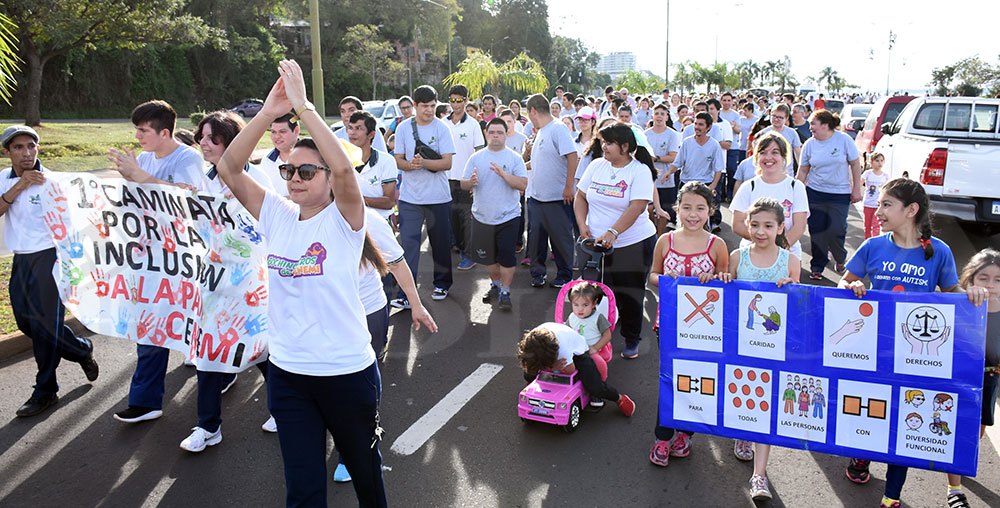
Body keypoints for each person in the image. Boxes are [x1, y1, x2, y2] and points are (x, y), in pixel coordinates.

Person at [216, 59, 389, 507]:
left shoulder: (345, 219)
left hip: (348, 374)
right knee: (303, 488)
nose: (294, 177)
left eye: (307, 172)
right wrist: (267, 114)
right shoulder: (276, 212)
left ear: (328, 180)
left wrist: (304, 107)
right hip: (289, 375)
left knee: (367, 480)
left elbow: (348, 173)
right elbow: (230, 171)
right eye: (289, 170)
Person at [837, 178, 989, 508]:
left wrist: (973, 294)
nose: (877, 211)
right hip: (873, 350)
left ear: (911, 210)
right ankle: (861, 455)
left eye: (886, 205)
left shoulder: (939, 252)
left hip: (914, 355)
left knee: (904, 416)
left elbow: (953, 297)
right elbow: (845, 282)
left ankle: (892, 495)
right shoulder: (873, 246)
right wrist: (850, 287)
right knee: (869, 407)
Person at [107, 100, 206, 423]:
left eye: (143, 130)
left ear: (165, 132)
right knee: (150, 325)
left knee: (200, 319)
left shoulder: (188, 157)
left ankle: (223, 367)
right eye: (136, 129)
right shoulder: (146, 158)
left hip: (184, 257)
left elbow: (190, 200)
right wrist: (128, 178)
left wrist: (140, 176)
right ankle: (146, 400)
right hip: (149, 257)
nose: (137, 136)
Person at [1, 125, 99, 417]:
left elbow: (78, 219)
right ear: (7, 152)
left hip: (51, 259)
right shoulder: (4, 180)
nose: (26, 152)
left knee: (44, 328)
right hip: (21, 259)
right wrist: (20, 186)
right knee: (25, 323)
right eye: (18, 147)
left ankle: (45, 390)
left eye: (31, 146)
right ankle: (80, 349)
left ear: (38, 149)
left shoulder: (54, 181)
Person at [647, 182, 729, 466]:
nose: (693, 214)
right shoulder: (665, 241)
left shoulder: (717, 245)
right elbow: (652, 277)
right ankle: (662, 436)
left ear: (711, 211)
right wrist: (667, 279)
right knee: (669, 380)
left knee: (695, 382)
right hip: (668, 323)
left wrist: (715, 280)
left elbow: (726, 284)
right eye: (686, 208)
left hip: (704, 331)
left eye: (700, 208)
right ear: (676, 209)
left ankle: (686, 433)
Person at [727, 197, 800, 500]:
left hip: (773, 349)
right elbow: (727, 294)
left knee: (765, 405)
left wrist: (792, 288)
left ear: (781, 227)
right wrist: (721, 279)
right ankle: (742, 434)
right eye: (755, 224)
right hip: (742, 346)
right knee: (744, 395)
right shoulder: (736, 256)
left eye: (768, 225)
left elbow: (798, 307)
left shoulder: (791, 261)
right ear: (747, 225)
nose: (760, 231)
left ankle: (759, 475)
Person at [574, 123, 657, 360]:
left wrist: (613, 232)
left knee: (628, 293)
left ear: (625, 146)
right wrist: (583, 225)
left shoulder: (639, 171)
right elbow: (580, 197)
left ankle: (632, 338)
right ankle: (595, 337)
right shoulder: (596, 165)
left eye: (608, 143)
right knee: (594, 293)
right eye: (602, 142)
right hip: (594, 245)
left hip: (631, 243)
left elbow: (638, 206)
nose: (603, 147)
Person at [393, 85, 457, 305]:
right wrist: (410, 165)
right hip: (410, 199)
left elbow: (447, 162)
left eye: (432, 106)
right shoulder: (403, 128)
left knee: (440, 246)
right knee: (408, 246)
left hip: (438, 198)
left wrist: (423, 163)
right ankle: (405, 295)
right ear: (415, 105)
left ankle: (442, 284)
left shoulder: (442, 128)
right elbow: (398, 159)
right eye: (424, 106)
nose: (429, 110)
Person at [461, 118, 528, 311]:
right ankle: (495, 285)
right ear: (486, 134)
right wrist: (471, 182)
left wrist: (504, 175)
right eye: (492, 132)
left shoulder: (514, 158)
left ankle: (505, 291)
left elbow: (522, 184)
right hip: (482, 217)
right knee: (488, 259)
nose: (496, 136)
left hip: (508, 216)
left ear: (506, 134)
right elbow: (463, 183)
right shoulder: (476, 157)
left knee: (506, 258)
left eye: (500, 132)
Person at [795, 110, 862, 280]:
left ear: (825, 125)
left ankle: (840, 258)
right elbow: (803, 170)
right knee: (817, 230)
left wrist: (856, 189)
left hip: (839, 194)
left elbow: (855, 164)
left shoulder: (844, 140)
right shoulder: (810, 144)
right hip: (815, 192)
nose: (810, 128)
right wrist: (796, 190)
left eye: (813, 124)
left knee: (836, 229)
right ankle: (817, 265)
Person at [516, 322, 635, 416]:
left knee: (594, 386)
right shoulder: (531, 342)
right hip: (547, 350)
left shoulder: (562, 350)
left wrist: (555, 367)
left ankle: (618, 398)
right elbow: (529, 360)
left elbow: (570, 370)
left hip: (578, 352)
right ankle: (532, 388)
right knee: (529, 372)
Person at [522, 94, 579, 289]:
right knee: (536, 239)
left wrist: (569, 186)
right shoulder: (540, 132)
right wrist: (517, 167)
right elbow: (538, 162)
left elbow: (572, 156)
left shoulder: (557, 128)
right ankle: (538, 274)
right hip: (537, 198)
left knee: (561, 239)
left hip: (557, 198)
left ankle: (565, 275)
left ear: (533, 111)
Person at [959, 249, 1000, 508]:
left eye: (998, 279)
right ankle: (954, 485)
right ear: (970, 279)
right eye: (984, 278)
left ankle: (966, 453)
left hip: (989, 379)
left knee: (979, 426)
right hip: (960, 378)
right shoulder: (960, 304)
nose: (991, 285)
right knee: (961, 425)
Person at [730, 133, 810, 260]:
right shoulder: (748, 186)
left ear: (784, 157)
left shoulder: (796, 187)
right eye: (763, 152)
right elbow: (737, 224)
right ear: (757, 157)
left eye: (775, 152)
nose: (768, 157)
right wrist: (762, 245)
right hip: (751, 257)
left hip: (787, 256)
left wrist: (777, 251)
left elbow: (799, 226)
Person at [446, 85, 487, 271]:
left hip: (465, 181)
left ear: (466, 100)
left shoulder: (473, 125)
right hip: (446, 180)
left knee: (467, 221)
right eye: (452, 100)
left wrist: (473, 181)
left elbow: (479, 154)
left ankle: (470, 256)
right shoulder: (443, 123)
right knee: (452, 219)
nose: (456, 104)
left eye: (459, 100)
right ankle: (461, 249)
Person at [669, 112, 725, 231]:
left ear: (708, 127)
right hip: (686, 183)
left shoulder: (714, 145)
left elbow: (718, 169)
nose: (697, 127)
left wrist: (713, 186)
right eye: (696, 123)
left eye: (701, 124)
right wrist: (668, 173)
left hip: (705, 184)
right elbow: (677, 163)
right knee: (685, 213)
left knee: (703, 216)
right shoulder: (687, 142)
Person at [347, 110, 399, 222]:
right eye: (350, 128)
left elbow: (389, 202)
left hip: (380, 224)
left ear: (371, 134)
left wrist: (358, 200)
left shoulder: (386, 161)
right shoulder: (340, 161)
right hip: (349, 226)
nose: (352, 133)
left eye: (358, 128)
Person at [565, 283, 613, 386]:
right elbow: (567, 332)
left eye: (585, 305)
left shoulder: (598, 317)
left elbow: (607, 335)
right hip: (576, 349)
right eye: (576, 305)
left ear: (594, 303)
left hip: (592, 350)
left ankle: (601, 383)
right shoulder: (572, 317)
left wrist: (595, 348)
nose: (580, 309)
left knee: (598, 362)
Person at [646, 103, 681, 234]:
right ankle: (651, 234)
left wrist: (656, 158)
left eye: (662, 114)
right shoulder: (646, 134)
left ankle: (660, 237)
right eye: (657, 113)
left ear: (667, 117)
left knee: (664, 211)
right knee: (648, 210)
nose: (659, 116)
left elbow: (673, 157)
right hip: (649, 180)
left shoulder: (673, 135)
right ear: (652, 116)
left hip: (665, 180)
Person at [258, 113, 300, 196]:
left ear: (296, 131)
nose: (277, 137)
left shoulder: (311, 157)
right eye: (273, 132)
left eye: (282, 131)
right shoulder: (267, 160)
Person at [757, 104, 801, 176]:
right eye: (774, 116)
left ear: (786, 118)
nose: (776, 119)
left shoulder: (792, 133)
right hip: (767, 173)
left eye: (780, 117)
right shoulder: (763, 133)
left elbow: (798, 154)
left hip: (787, 173)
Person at [860, 152, 889, 238]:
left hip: (878, 205)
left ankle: (874, 243)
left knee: (876, 226)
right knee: (867, 226)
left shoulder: (885, 176)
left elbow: (887, 190)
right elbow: (859, 184)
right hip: (868, 203)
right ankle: (867, 241)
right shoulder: (868, 173)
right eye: (877, 161)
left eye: (881, 161)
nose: (880, 163)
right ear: (871, 162)